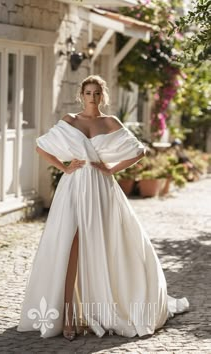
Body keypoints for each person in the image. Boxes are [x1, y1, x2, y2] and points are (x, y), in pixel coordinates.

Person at [17, 75, 189, 341]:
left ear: (103, 95)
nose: (92, 97)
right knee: (68, 247)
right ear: (81, 95)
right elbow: (41, 147)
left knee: (102, 244)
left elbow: (139, 151)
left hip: (100, 189)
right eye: (88, 93)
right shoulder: (70, 120)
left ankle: (103, 306)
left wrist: (110, 168)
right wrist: (64, 167)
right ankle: (69, 318)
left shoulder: (110, 122)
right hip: (73, 189)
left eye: (97, 93)